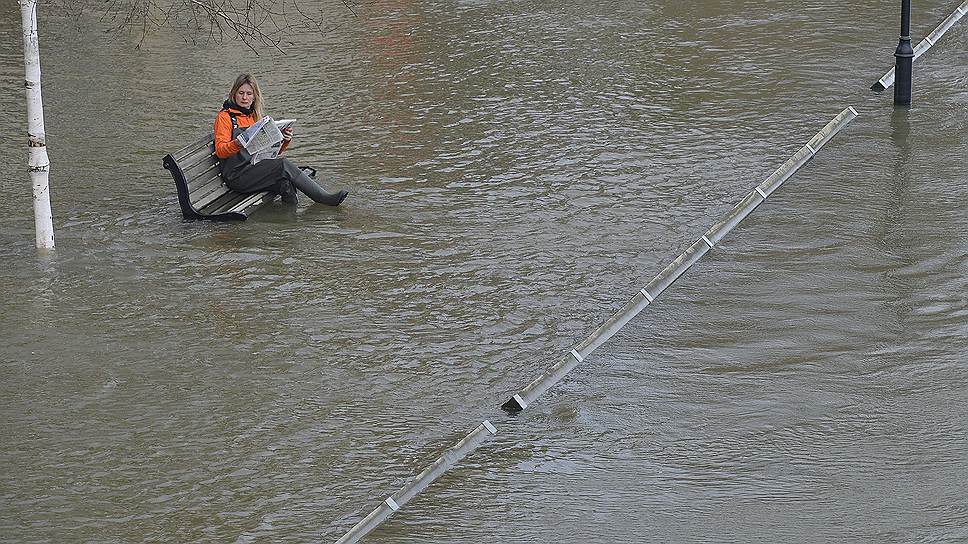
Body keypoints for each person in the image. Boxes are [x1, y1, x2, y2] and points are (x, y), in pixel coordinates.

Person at [214, 73, 348, 206]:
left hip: (254, 168)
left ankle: (291, 224)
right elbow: (220, 151)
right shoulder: (225, 117)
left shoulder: (255, 117)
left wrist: (284, 140)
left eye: (249, 94)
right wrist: (238, 143)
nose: (244, 98)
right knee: (282, 165)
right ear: (234, 94)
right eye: (241, 93)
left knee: (285, 183)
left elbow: (269, 153)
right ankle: (322, 198)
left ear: (255, 96)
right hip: (237, 176)